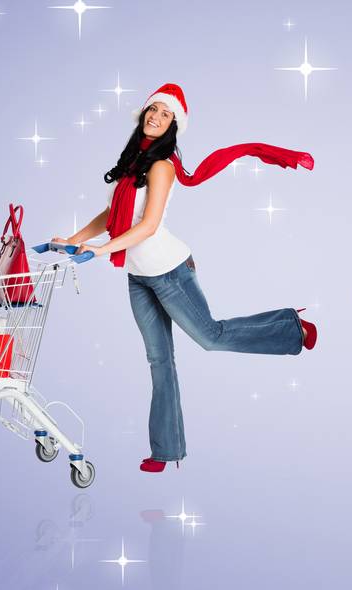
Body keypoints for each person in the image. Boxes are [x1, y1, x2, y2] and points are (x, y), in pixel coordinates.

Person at [53, 83, 317, 473]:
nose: (156, 116)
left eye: (165, 113)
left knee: (211, 337)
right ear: (142, 115)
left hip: (170, 271)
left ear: (174, 123)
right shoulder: (132, 164)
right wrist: (74, 240)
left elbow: (147, 225)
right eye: (152, 110)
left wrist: (100, 250)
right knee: (160, 361)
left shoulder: (162, 166)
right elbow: (111, 215)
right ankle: (166, 451)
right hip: (138, 277)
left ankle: (290, 327)